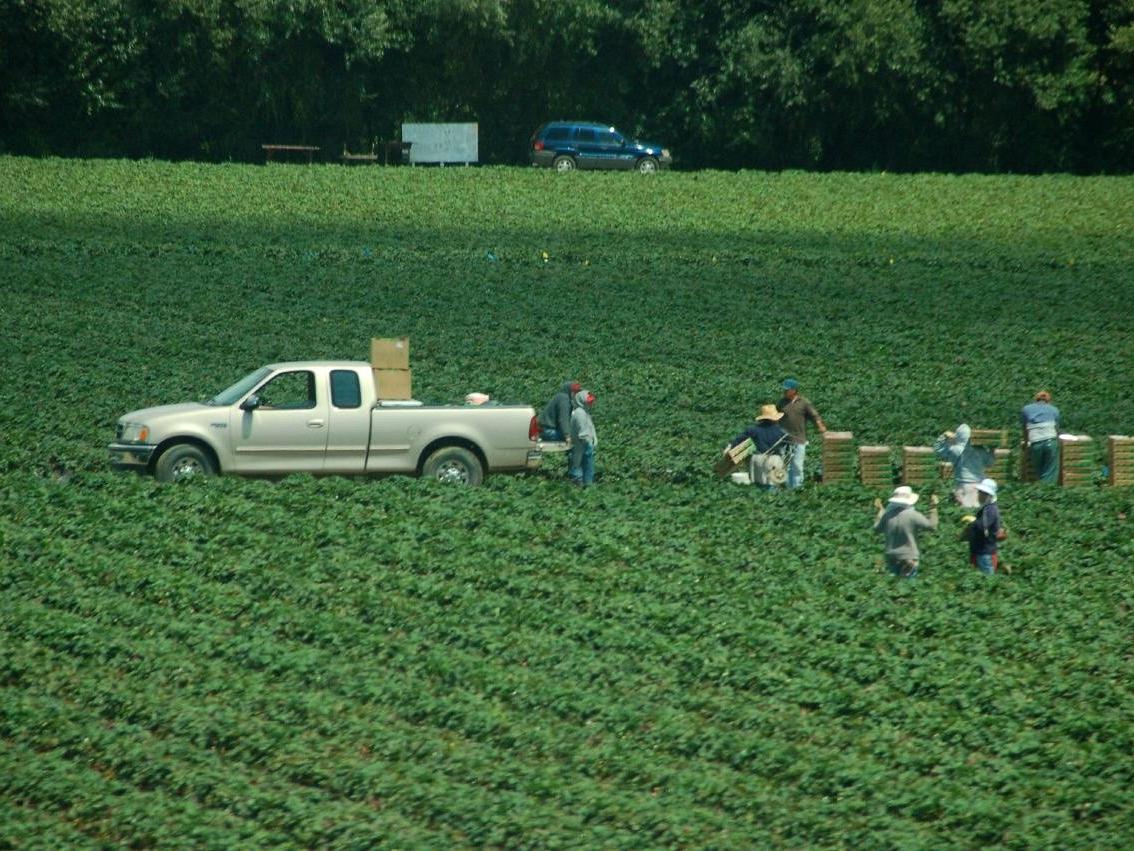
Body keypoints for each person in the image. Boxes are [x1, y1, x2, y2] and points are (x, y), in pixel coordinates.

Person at [873, 486, 939, 579]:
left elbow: (877, 529)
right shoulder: (912, 515)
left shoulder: (887, 515)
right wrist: (933, 507)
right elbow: (932, 526)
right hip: (909, 557)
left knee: (894, 584)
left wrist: (880, 511)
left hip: (892, 557)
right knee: (908, 584)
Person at [775, 378, 827, 489]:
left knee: (797, 466)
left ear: (794, 390)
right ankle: (787, 487)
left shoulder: (804, 403)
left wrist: (820, 426)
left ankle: (797, 488)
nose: (784, 391)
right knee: (785, 464)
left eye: (787, 390)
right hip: (784, 439)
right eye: (784, 389)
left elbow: (814, 416)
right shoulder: (781, 403)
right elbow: (774, 417)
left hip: (799, 439)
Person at [728, 404, 790, 489]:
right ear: (775, 418)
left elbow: (737, 442)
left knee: (758, 487)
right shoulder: (781, 432)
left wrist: (731, 450)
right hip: (774, 460)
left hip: (757, 460)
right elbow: (788, 447)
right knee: (772, 486)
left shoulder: (752, 430)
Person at [934, 423, 995, 507]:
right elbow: (990, 463)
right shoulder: (980, 450)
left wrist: (944, 436)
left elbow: (938, 449)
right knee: (978, 508)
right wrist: (992, 449)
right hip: (980, 485)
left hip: (963, 486)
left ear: (958, 436)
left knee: (964, 509)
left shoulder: (955, 450)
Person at [961, 478, 1005, 575]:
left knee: (987, 579)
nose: (979, 495)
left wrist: (973, 522)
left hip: (985, 553)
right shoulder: (986, 508)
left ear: (988, 495)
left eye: (981, 493)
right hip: (979, 551)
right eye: (979, 492)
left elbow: (982, 526)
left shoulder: (991, 509)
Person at [1020, 390, 1061, 483]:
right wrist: (1058, 442)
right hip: (1051, 441)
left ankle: (1041, 487)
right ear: (1048, 400)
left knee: (1039, 469)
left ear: (1036, 399)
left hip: (1036, 443)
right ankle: (1046, 488)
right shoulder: (1054, 409)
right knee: (1050, 469)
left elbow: (1025, 428)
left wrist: (1026, 442)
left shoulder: (1026, 409)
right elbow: (1057, 429)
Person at [569, 389, 597, 487]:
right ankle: (585, 485)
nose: (590, 404)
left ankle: (585, 485)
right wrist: (588, 442)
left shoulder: (584, 411)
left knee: (584, 465)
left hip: (585, 443)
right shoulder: (579, 413)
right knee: (583, 465)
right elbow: (583, 432)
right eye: (588, 402)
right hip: (582, 444)